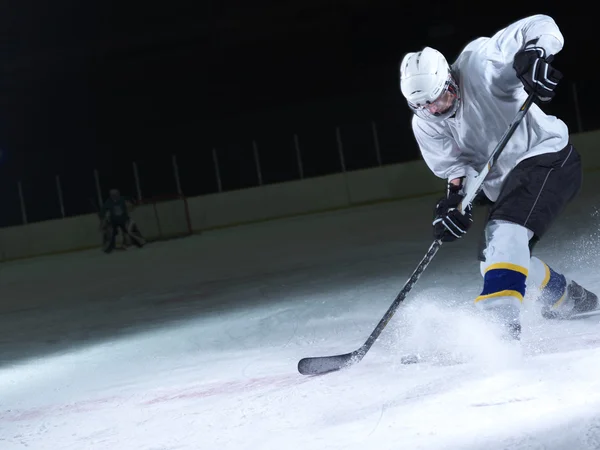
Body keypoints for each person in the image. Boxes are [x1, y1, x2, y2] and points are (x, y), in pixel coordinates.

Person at [398, 14, 597, 339]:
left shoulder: (481, 65)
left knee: (506, 232)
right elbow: (456, 168)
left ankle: (500, 323)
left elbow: (541, 25)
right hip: (509, 182)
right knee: (493, 257)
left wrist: (535, 55)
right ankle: (567, 297)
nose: (435, 110)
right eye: (424, 106)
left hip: (548, 157)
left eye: (440, 99)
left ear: (450, 79)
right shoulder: (426, 123)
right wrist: (453, 204)